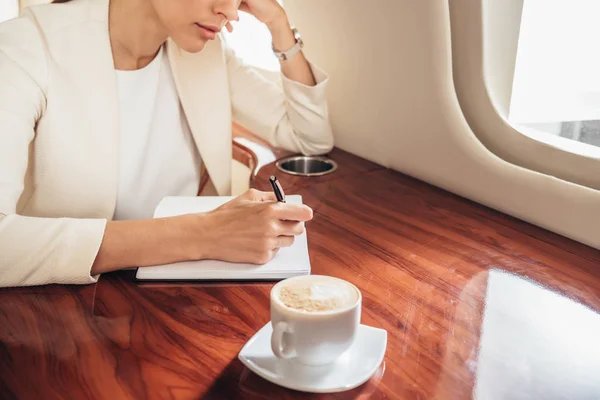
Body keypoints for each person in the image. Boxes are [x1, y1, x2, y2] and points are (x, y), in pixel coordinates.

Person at [0, 0, 333, 287]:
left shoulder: (208, 55)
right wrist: (204, 234)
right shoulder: (25, 46)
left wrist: (278, 22)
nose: (230, 13)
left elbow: (310, 137)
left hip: (180, 294)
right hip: (63, 310)